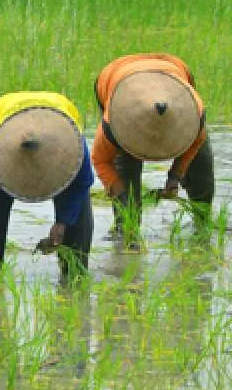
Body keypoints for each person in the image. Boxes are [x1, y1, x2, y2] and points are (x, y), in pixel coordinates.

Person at [0, 92, 94, 284]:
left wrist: (63, 222)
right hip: (2, 119)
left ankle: (74, 277)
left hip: (59, 113)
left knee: (76, 259)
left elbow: (81, 184)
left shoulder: (73, 148)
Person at [90, 54, 214, 246]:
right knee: (125, 164)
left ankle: (203, 221)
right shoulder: (115, 122)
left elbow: (195, 144)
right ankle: (127, 230)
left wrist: (176, 176)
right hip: (116, 76)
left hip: (172, 68)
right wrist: (121, 193)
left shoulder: (193, 114)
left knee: (200, 164)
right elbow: (100, 160)